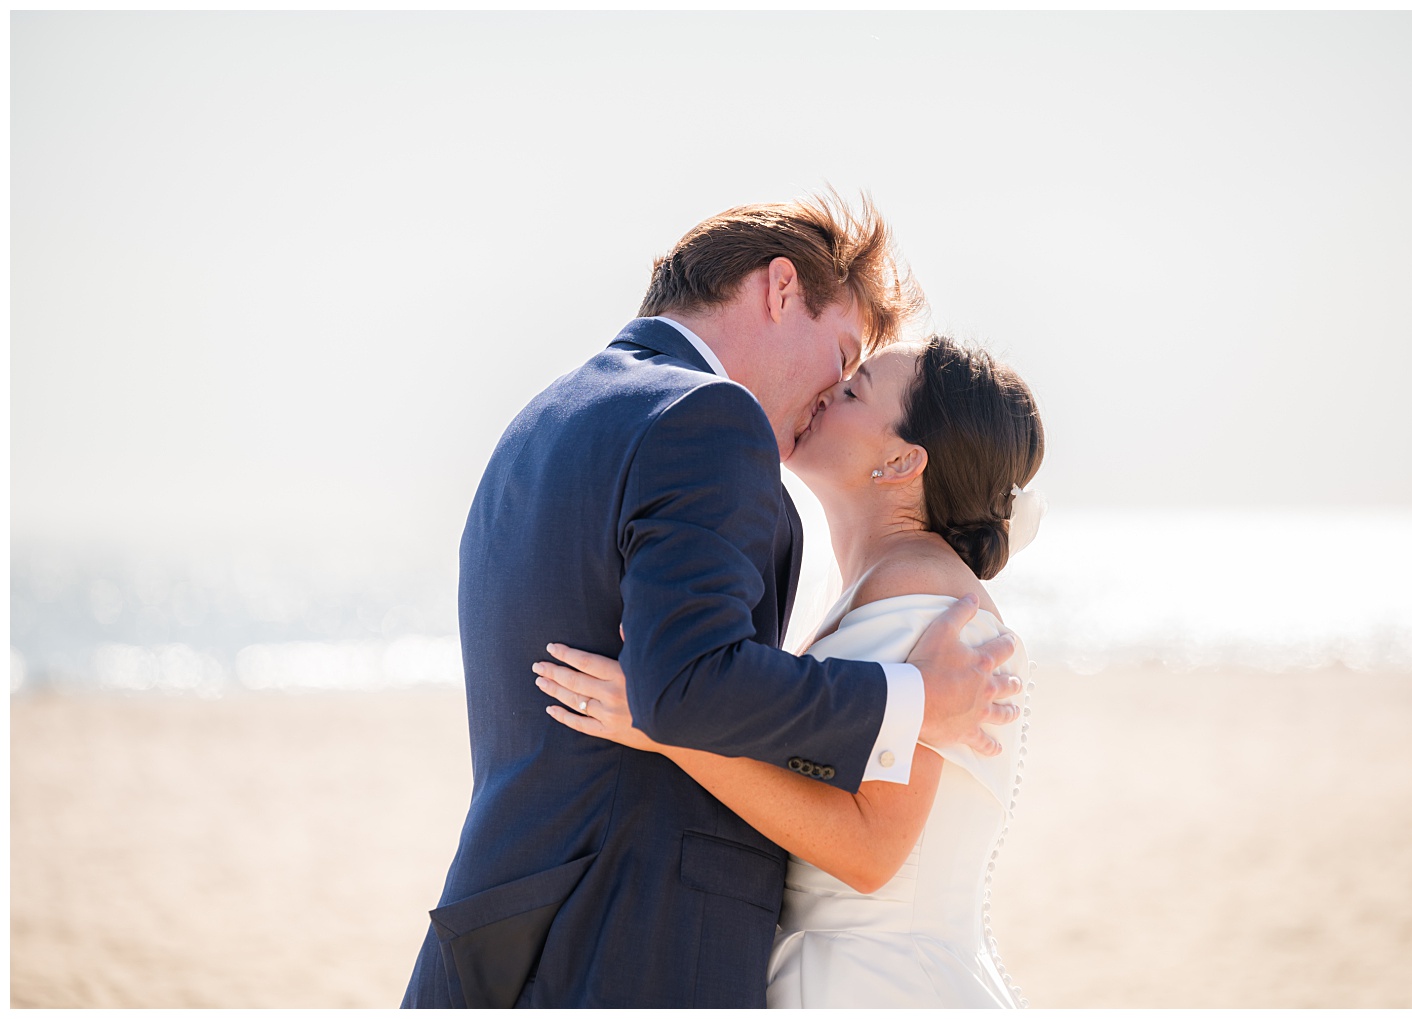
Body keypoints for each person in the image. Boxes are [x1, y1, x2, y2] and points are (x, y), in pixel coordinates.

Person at [401, 194, 1023, 1008]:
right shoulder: (706, 413)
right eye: (841, 352)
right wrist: (910, 698)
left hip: (508, 925)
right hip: (637, 936)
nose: (833, 389)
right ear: (779, 289)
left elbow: (667, 691)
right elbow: (684, 685)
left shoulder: (544, 419)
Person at [536, 335, 1045, 1007]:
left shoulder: (932, 607)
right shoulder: (880, 593)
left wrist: (663, 724)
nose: (828, 389)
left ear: (900, 460)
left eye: (855, 390)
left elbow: (871, 849)